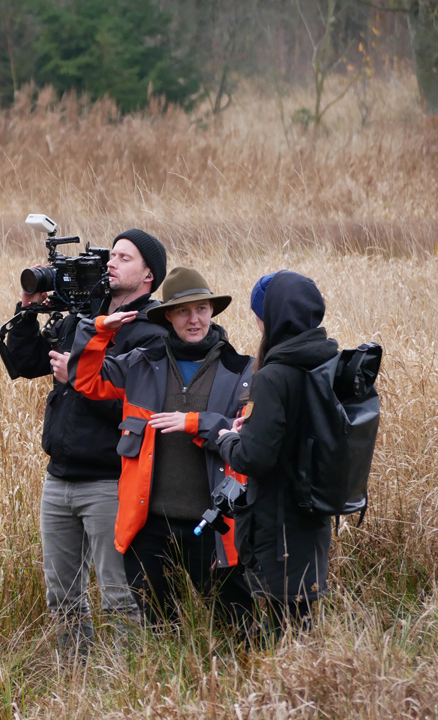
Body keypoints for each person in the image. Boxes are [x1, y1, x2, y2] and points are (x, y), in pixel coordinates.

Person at [2, 229, 167, 657]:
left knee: (119, 597)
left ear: (148, 275)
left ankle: (127, 681)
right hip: (59, 478)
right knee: (62, 597)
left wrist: (78, 376)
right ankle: (75, 678)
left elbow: (138, 411)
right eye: (112, 255)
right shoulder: (84, 317)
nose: (112, 262)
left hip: (111, 481)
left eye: (125, 258)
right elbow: (25, 363)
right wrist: (28, 311)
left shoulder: (151, 331)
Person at [68, 267, 254, 629]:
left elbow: (248, 438)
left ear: (212, 312)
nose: (194, 319)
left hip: (216, 528)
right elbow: (84, 379)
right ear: (168, 316)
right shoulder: (142, 363)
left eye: (201, 309)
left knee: (236, 630)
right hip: (149, 530)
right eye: (183, 311)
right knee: (160, 632)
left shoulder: (242, 371)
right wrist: (100, 329)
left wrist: (196, 422)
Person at [217, 271, 338, 636]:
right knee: (301, 628)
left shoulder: (273, 376)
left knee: (280, 634)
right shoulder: (327, 364)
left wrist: (227, 439)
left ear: (269, 318)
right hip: (312, 520)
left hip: (276, 528)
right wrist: (254, 429)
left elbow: (254, 459)